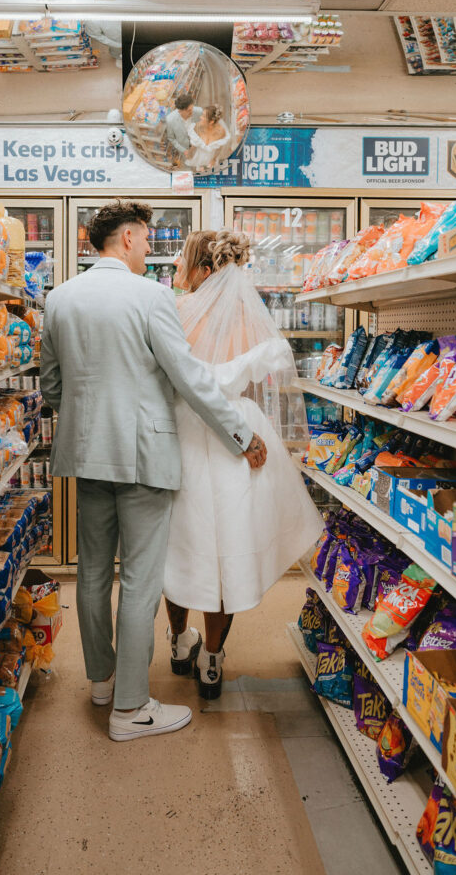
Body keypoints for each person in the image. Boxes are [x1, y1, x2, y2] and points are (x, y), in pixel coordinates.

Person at [40, 200, 267, 742]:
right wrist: (240, 433)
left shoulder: (59, 298)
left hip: (84, 455)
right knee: (141, 581)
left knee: (93, 574)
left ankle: (101, 683)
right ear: (126, 239)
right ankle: (131, 709)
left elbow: (51, 388)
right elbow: (188, 377)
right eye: (145, 240)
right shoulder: (151, 296)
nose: (149, 248)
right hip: (144, 456)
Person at [163, 229, 324, 699]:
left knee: (179, 548)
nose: (176, 271)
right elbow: (257, 389)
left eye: (183, 263)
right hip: (242, 439)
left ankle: (178, 643)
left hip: (186, 440)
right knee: (227, 552)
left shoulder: (174, 314)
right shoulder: (251, 320)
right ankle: (212, 660)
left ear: (205, 271)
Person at [185, 104, 232, 171]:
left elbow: (219, 147)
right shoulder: (197, 127)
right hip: (198, 159)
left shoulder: (221, 132)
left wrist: (214, 159)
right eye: (202, 115)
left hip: (211, 161)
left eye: (204, 116)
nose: (200, 117)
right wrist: (190, 153)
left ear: (211, 122)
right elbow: (194, 144)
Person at [165, 93, 202, 162]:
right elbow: (171, 138)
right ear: (180, 111)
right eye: (189, 110)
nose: (192, 112)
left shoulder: (199, 111)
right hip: (185, 148)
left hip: (199, 145)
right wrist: (184, 151)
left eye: (192, 108)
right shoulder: (170, 120)